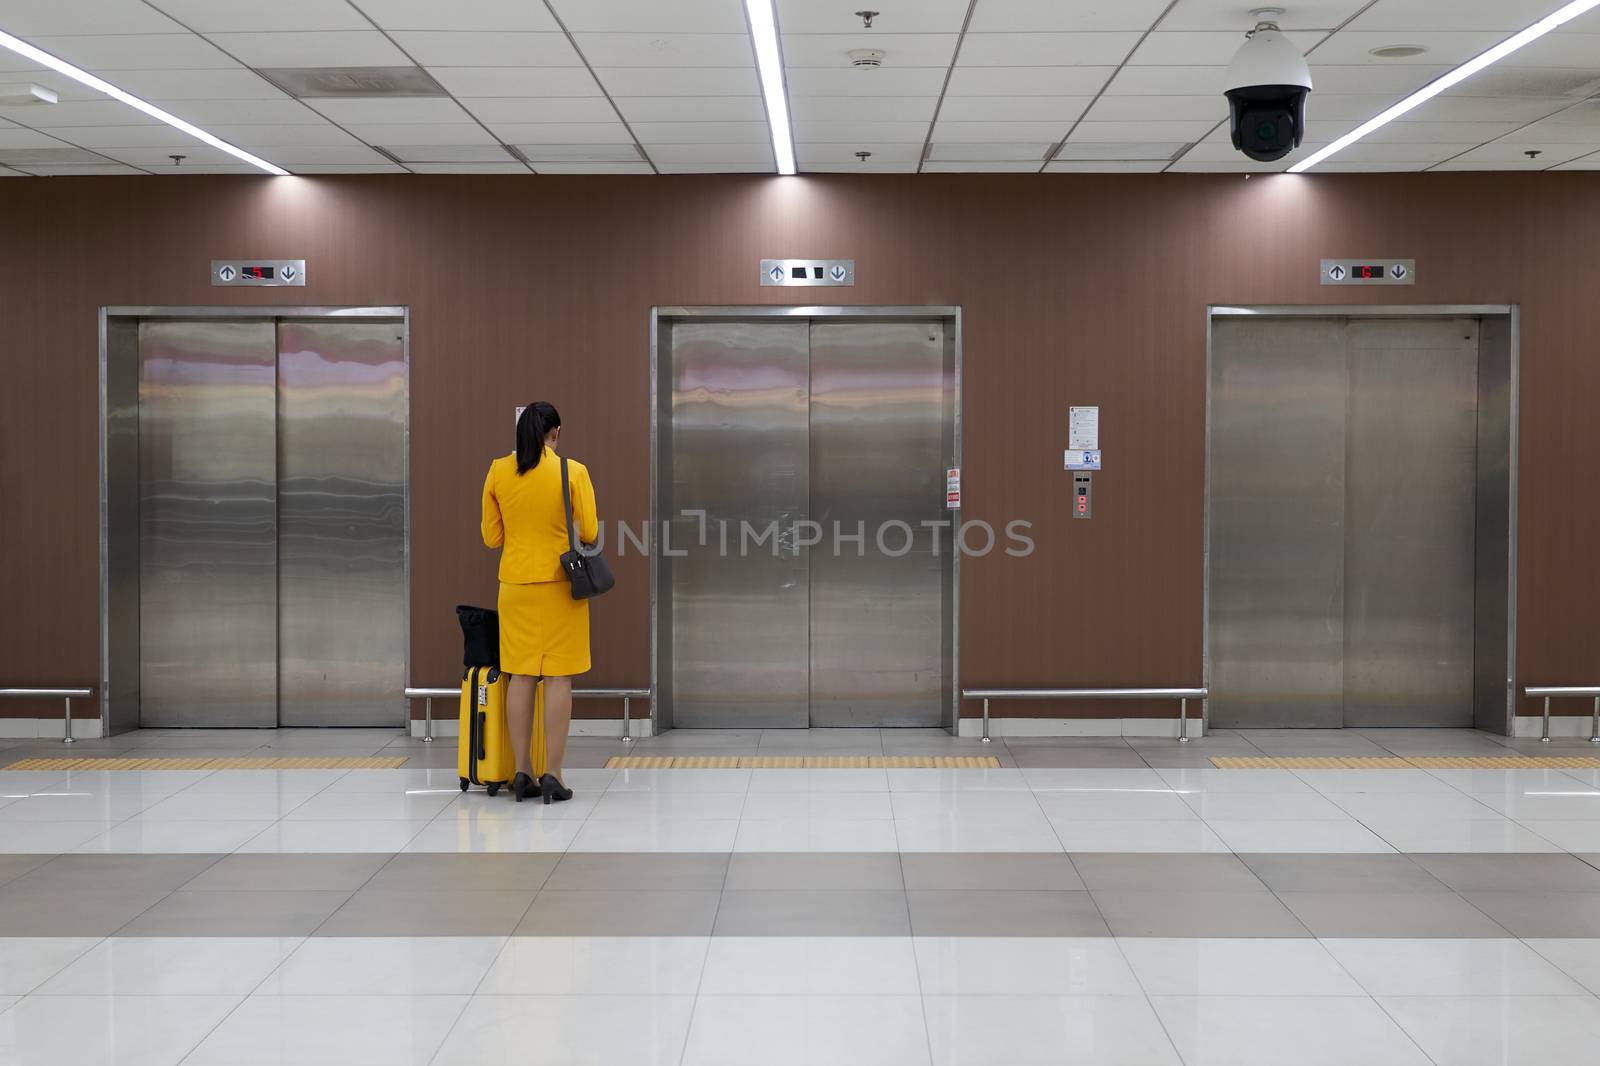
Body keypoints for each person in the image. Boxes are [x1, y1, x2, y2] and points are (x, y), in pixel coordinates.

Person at [481, 402, 598, 804]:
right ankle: (554, 773)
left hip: (514, 584)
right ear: (556, 432)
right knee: (559, 677)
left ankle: (521, 771)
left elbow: (491, 537)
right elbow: (591, 528)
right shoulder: (573, 471)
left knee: (521, 675)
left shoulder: (498, 470)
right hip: (560, 586)